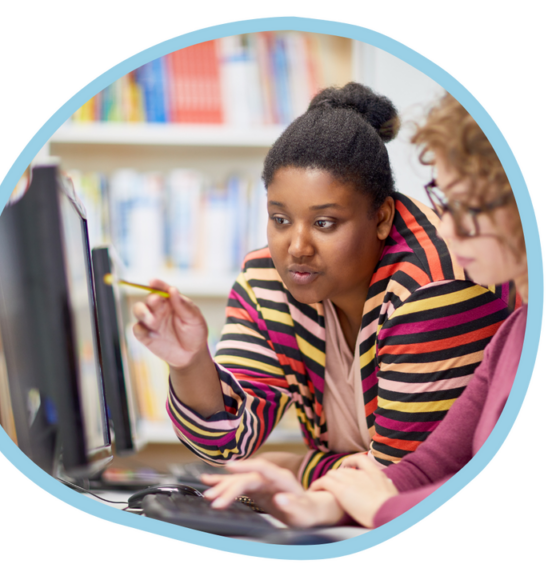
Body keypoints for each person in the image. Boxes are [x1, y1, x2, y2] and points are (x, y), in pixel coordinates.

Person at [133, 83, 518, 489]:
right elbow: (226, 441)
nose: (296, 248)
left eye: (324, 223)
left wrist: (296, 469)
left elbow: (401, 482)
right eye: (280, 219)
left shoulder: (434, 285)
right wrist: (191, 363)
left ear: (383, 218)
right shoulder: (268, 278)